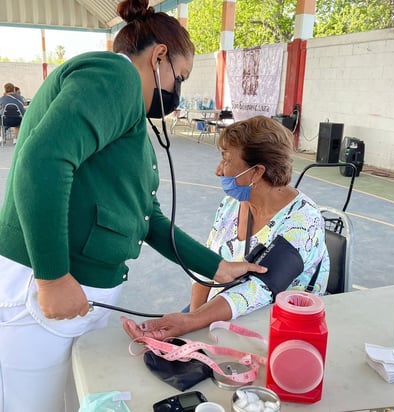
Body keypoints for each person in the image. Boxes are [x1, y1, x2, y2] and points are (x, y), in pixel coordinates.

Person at [0, 1, 266, 411]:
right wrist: (52, 277)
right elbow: (43, 161)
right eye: (181, 76)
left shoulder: (127, 117)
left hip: (73, 295)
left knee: (72, 400)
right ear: (159, 55)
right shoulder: (116, 77)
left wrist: (216, 267)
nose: (178, 90)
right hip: (47, 288)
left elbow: (147, 217)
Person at [122, 115, 330, 341]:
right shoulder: (232, 205)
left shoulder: (303, 221)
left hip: (274, 327)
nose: (219, 171)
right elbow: (208, 264)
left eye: (227, 160)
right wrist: (192, 319)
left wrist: (190, 323)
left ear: (257, 172)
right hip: (222, 311)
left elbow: (257, 289)